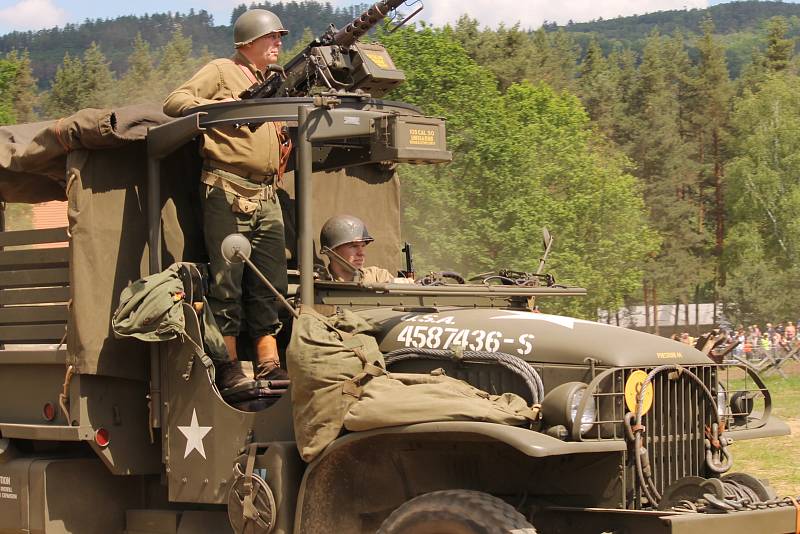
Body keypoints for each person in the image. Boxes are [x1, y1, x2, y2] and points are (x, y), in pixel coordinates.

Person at [163, 9, 290, 390]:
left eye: (280, 37)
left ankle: (268, 361)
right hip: (226, 189)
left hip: (267, 194)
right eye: (271, 37)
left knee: (270, 282)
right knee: (226, 282)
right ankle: (229, 364)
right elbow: (175, 100)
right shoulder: (221, 71)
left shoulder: (277, 80)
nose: (278, 43)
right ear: (248, 42)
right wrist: (216, 110)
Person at [318, 214, 411, 284]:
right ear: (333, 251)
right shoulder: (317, 282)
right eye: (353, 246)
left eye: (363, 246)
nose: (361, 253)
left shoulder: (378, 277)